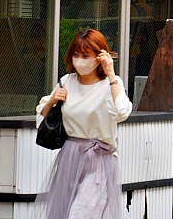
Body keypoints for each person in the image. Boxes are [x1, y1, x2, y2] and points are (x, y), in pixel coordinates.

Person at [35, 28, 133, 219]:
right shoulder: (67, 82)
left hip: (99, 159)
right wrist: (52, 100)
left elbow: (122, 112)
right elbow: (42, 116)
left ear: (99, 57)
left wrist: (111, 74)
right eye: (76, 55)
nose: (80, 60)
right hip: (70, 156)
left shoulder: (110, 85)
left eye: (86, 55)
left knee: (81, 214)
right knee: (63, 213)